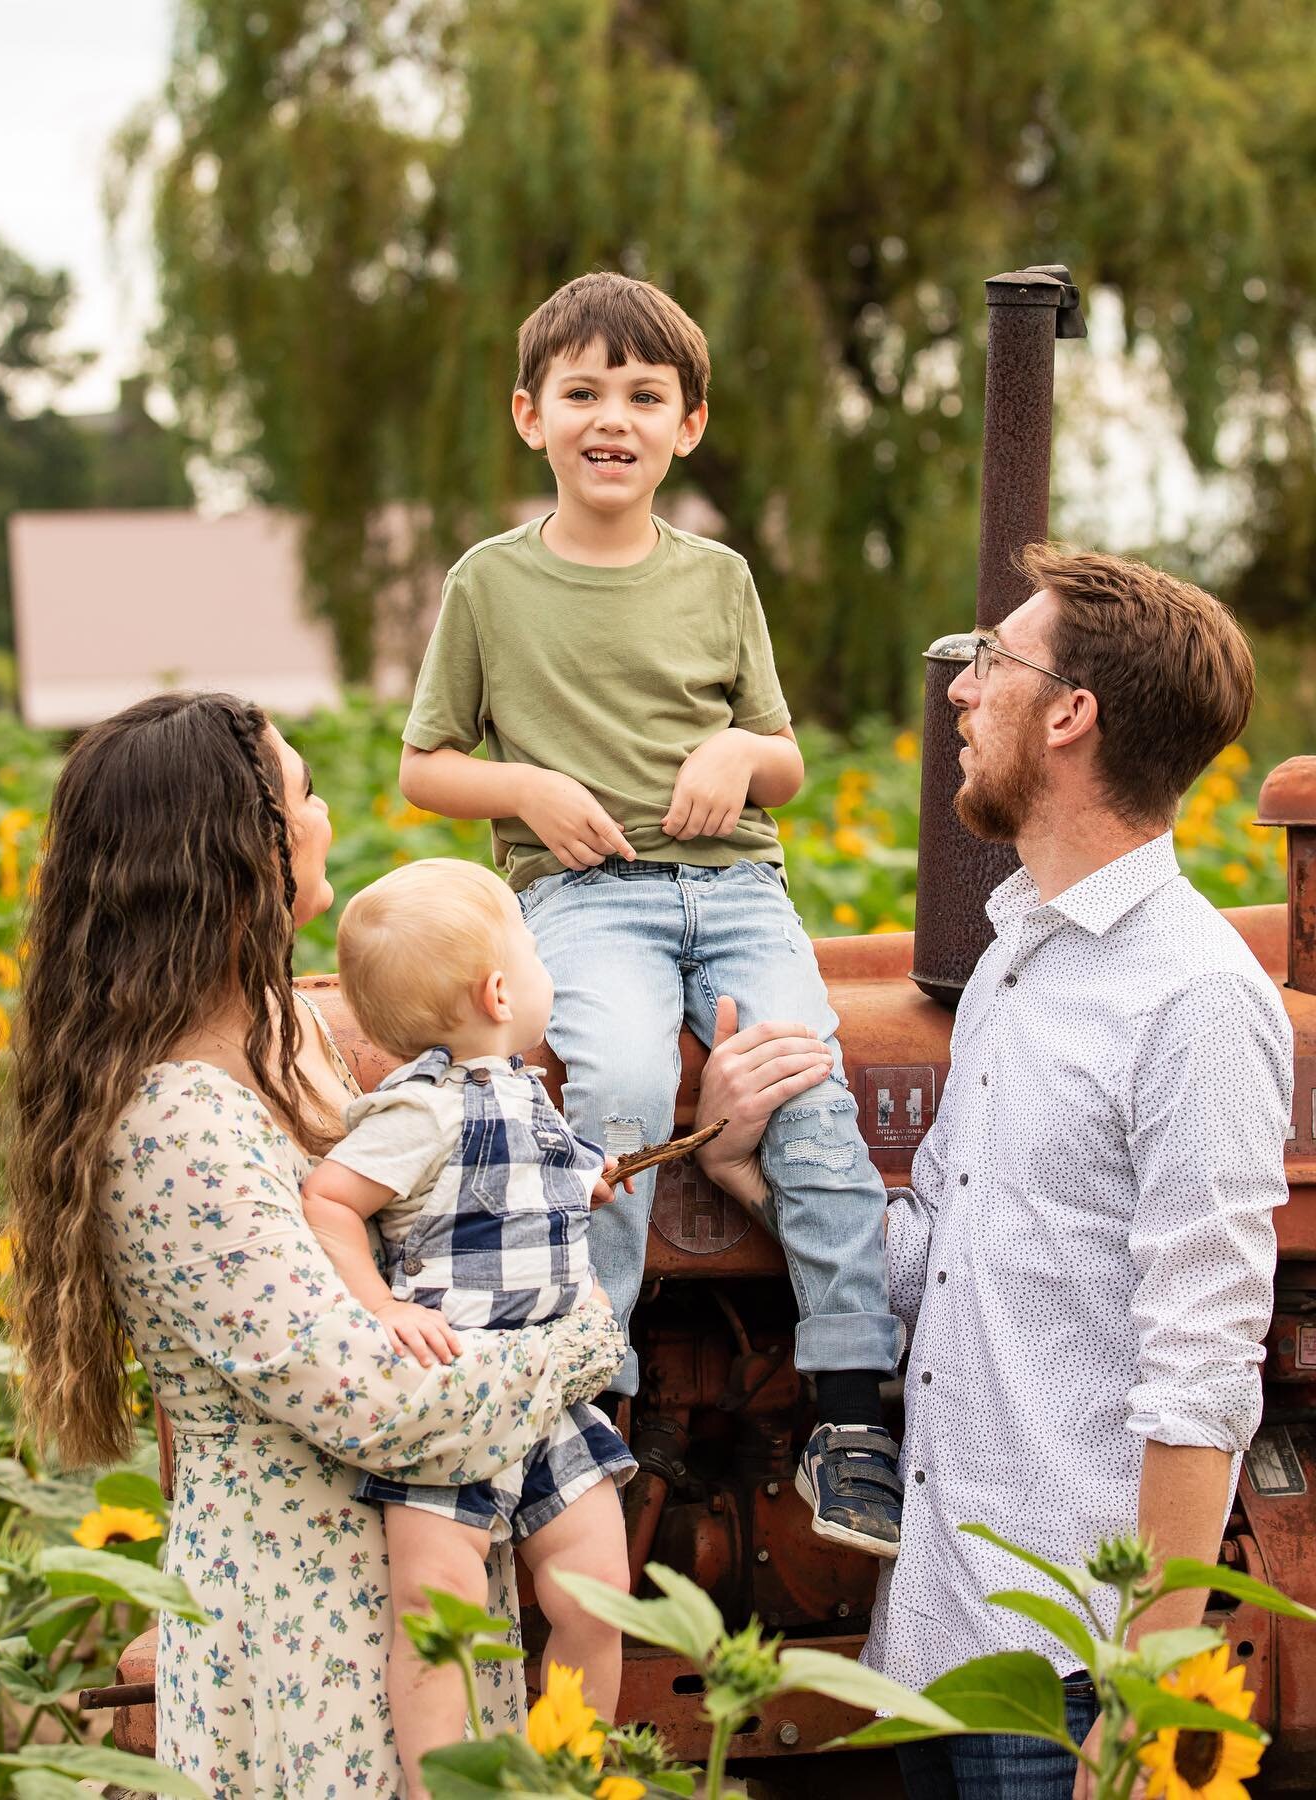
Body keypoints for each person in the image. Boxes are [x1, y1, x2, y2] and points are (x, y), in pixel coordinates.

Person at [697, 545, 1293, 1800]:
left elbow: (1205, 1363)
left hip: (1075, 1672)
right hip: (948, 1639)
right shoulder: (1021, 957)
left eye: (993, 663)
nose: (960, 693)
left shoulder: (1191, 998)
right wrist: (757, 1177)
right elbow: (950, 1266)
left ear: (1071, 714)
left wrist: (1144, 1698)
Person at [0, 692, 626, 1800]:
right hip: (311, 1647)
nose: (327, 816)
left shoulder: (287, 1037)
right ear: (244, 858)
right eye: (304, 796)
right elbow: (382, 1403)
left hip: (413, 1593)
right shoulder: (176, 1127)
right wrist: (581, 1339)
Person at [399, 270, 903, 1557]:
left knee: (805, 1089)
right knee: (616, 1081)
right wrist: (524, 785)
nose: (610, 415)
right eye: (582, 391)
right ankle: (598, 1389)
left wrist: (740, 756)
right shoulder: (489, 585)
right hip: (586, 896)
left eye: (644, 393)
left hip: (737, 889)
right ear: (531, 416)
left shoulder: (720, 577)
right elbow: (425, 765)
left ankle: (851, 1410)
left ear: (689, 424)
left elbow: (782, 755)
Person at [301, 859, 635, 1796]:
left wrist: (590, 1183)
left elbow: (538, 1180)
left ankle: (566, 1772)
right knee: (435, 1614)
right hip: (456, 1401)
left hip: (551, 1404)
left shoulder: (528, 1091)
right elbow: (330, 1200)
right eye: (532, 950)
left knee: (595, 1597)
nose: (542, 968)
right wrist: (384, 1306)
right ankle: (438, 1786)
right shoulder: (423, 1107)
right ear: (498, 990)